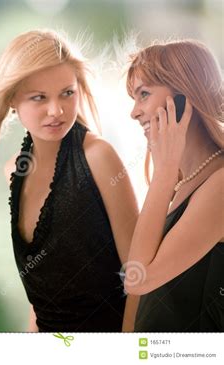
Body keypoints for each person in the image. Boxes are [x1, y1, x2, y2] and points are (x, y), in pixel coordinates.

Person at [0, 29, 139, 331]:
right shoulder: (14, 173)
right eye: (39, 98)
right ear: (12, 100)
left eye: (67, 93)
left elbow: (138, 272)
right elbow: (43, 297)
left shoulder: (99, 157)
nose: (56, 110)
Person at [124, 39, 223, 331]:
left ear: (183, 98)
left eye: (144, 94)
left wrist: (164, 172)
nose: (134, 112)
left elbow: (137, 279)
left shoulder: (219, 185)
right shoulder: (185, 181)